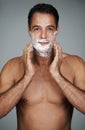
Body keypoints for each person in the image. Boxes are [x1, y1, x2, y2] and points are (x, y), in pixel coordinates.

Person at [0, 3, 85, 130]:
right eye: (37, 29)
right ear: (29, 30)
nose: (43, 35)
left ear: (57, 30)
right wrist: (27, 76)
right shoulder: (13, 66)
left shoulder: (75, 64)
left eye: (49, 28)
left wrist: (57, 75)